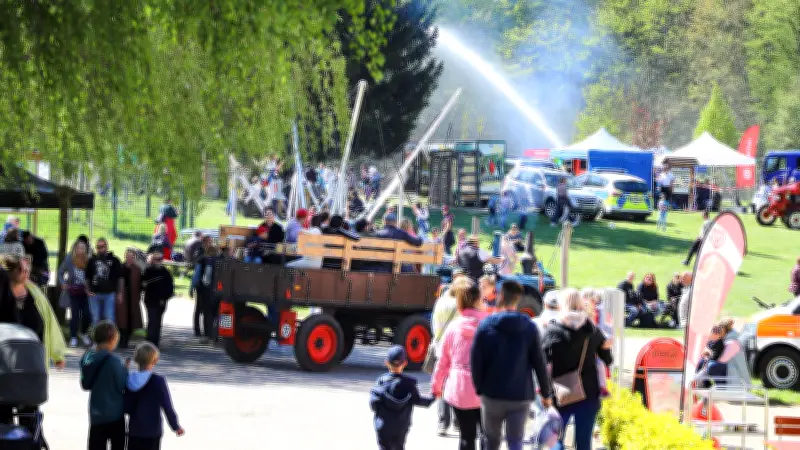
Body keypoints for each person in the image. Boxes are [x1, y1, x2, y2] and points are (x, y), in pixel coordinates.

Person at [471, 281, 553, 450]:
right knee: (515, 442)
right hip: (520, 394)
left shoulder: (486, 325)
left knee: (491, 441)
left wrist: (479, 387)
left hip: (491, 394)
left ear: (501, 296)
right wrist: (546, 393)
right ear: (518, 300)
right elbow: (539, 363)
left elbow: (476, 361)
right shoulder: (529, 327)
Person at [543, 289, 613, 450]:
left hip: (561, 392)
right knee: (583, 442)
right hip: (589, 392)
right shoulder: (592, 330)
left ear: (561, 305)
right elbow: (607, 360)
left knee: (556, 440)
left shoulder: (552, 331)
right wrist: (605, 347)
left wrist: (543, 392)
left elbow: (542, 363)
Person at [431, 279, 488, 450]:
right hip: (486, 389)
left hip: (459, 389)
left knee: (466, 436)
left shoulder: (453, 328)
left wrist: (437, 386)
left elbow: (443, 362)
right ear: (478, 300)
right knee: (488, 436)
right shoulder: (489, 326)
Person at [370, 345, 434, 450]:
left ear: (386, 363)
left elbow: (373, 404)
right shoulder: (409, 384)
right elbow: (420, 401)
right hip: (401, 426)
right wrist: (434, 396)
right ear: (405, 363)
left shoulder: (380, 382)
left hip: (383, 426)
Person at [125, 342, 185, 449]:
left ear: (136, 359)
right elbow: (167, 406)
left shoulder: (129, 379)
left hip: (135, 429)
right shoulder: (158, 381)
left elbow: (126, 406)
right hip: (152, 430)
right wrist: (175, 426)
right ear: (155, 360)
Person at [80, 321, 128, 450]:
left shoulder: (88, 358)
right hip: (115, 415)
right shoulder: (115, 362)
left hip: (96, 415)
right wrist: (125, 371)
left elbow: (85, 384)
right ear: (113, 339)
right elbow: (122, 385)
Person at [431, 270, 466, 436]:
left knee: (443, 385)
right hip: (456, 350)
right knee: (457, 385)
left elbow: (433, 325)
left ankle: (442, 422)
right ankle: (457, 422)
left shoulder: (440, 302)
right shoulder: (459, 306)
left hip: (440, 347)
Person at [58, 240, 93, 347]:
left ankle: (83, 333)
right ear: (75, 249)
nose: (81, 250)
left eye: (83, 248)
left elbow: (92, 275)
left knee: (88, 315)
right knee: (75, 315)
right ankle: (73, 337)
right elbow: (60, 272)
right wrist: (63, 283)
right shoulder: (69, 258)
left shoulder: (89, 260)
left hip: (86, 292)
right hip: (73, 291)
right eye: (79, 248)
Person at [85, 238, 124, 326]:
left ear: (107, 247)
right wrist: (87, 290)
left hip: (109, 294)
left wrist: (120, 293)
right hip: (94, 294)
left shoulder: (115, 260)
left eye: (102, 246)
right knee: (95, 318)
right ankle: (96, 339)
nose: (100, 249)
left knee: (109, 317)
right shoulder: (92, 260)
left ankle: (111, 339)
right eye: (98, 247)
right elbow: (87, 277)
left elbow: (120, 278)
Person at [142, 252, 175, 348]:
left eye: (160, 259)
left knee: (158, 322)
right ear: (152, 260)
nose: (158, 261)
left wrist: (164, 298)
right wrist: (143, 285)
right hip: (150, 300)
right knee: (152, 320)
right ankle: (149, 341)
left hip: (161, 301)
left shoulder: (165, 272)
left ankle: (155, 342)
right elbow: (142, 284)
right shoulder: (147, 271)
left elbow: (170, 288)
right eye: (156, 259)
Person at [191, 245, 220, 343]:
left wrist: (193, 287)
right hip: (218, 290)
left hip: (205, 290)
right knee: (216, 313)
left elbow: (199, 276)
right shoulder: (220, 261)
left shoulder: (204, 260)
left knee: (205, 312)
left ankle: (205, 333)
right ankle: (215, 334)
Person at [119, 249, 145, 349]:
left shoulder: (137, 269)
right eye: (128, 257)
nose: (129, 259)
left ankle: (127, 339)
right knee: (122, 319)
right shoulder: (121, 267)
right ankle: (122, 339)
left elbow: (141, 284)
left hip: (133, 298)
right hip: (123, 298)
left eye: (132, 257)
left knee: (132, 320)